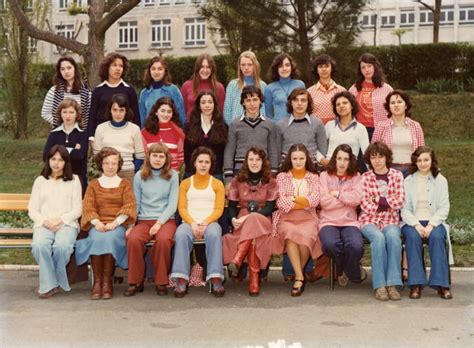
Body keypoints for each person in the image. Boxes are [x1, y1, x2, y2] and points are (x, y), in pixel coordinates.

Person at [76, 147, 137, 300]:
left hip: (117, 225)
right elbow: (88, 207)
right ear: (101, 164)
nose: (110, 166)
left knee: (109, 239)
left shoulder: (125, 184)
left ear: (119, 165)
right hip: (98, 224)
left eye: (114, 163)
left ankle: (107, 282)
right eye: (107, 163)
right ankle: (98, 282)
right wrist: (96, 222)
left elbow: (129, 206)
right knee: (97, 238)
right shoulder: (94, 185)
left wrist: (115, 223)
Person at [124, 143, 179, 297]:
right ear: (149, 157)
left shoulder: (173, 175)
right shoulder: (139, 176)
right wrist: (130, 225)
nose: (158, 159)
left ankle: (161, 282)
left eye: (161, 156)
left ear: (166, 159)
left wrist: (159, 223)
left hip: (166, 220)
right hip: (143, 219)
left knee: (163, 241)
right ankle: (136, 281)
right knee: (133, 239)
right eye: (155, 156)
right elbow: (136, 203)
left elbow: (172, 204)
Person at [171, 147, 226, 298]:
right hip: (189, 222)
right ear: (194, 163)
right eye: (200, 161)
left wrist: (206, 223)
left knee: (215, 234)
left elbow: (219, 209)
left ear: (211, 164)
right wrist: (192, 222)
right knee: (181, 234)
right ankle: (181, 279)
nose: (203, 165)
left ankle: (215, 278)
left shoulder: (217, 184)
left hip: (210, 222)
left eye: (206, 162)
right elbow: (181, 207)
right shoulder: (185, 183)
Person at [222, 147, 278, 296]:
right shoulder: (237, 180)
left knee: (253, 220)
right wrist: (233, 219)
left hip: (263, 219)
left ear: (263, 162)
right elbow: (232, 206)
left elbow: (270, 207)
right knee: (253, 238)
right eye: (251, 159)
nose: (254, 163)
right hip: (242, 220)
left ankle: (238, 259)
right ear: (246, 161)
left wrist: (249, 217)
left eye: (258, 159)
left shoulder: (271, 180)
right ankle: (254, 281)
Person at [29, 145, 82, 298]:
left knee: (62, 247)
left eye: (60, 160)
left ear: (66, 162)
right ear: (48, 160)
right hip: (43, 224)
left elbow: (78, 209)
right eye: (53, 159)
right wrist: (45, 221)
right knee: (40, 245)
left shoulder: (74, 180)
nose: (56, 163)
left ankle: (48, 283)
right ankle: (50, 285)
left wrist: (61, 220)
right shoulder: (40, 181)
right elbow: (32, 209)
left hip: (66, 224)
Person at [401, 146, 452, 300]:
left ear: (432, 161)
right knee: (412, 238)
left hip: (434, 221)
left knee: (437, 238)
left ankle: (441, 284)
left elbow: (444, 208)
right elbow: (405, 209)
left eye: (426, 160)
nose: (423, 163)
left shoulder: (441, 180)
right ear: (415, 162)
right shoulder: (408, 181)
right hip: (413, 221)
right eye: (419, 160)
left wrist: (430, 225)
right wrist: (417, 225)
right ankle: (415, 284)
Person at [272, 144, 323, 296]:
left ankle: (298, 274)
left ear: (307, 159)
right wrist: (303, 201)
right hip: (286, 218)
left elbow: (314, 200)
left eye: (301, 158)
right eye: (295, 158)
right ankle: (300, 277)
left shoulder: (314, 177)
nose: (298, 162)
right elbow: (280, 201)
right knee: (290, 234)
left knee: (307, 236)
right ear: (290, 159)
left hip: (308, 218)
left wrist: (293, 199)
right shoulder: (282, 177)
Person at [359, 142, 405, 301]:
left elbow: (399, 202)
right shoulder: (365, 177)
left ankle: (392, 284)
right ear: (369, 160)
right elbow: (364, 203)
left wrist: (378, 199)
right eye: (373, 157)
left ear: (387, 157)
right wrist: (387, 202)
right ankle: (379, 285)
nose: (377, 160)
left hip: (391, 220)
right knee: (378, 239)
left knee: (393, 238)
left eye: (380, 156)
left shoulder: (397, 176)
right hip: (368, 220)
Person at [319, 144, 365, 286]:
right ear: (334, 159)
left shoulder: (356, 176)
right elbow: (323, 202)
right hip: (328, 222)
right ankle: (353, 272)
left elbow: (357, 199)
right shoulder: (324, 176)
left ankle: (344, 271)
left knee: (356, 245)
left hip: (349, 222)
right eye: (339, 158)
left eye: (346, 159)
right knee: (330, 244)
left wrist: (337, 194)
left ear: (350, 161)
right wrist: (346, 200)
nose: (342, 162)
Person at [224, 85, 278, 182]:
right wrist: (228, 177)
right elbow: (229, 151)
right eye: (248, 100)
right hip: (240, 170)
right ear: (243, 103)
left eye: (255, 100)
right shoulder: (235, 124)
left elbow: (273, 151)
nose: (252, 104)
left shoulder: (269, 124)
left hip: (263, 170)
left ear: (260, 101)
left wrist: (273, 174)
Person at [372, 90, 425, 177]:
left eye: (399, 102)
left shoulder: (416, 126)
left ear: (406, 105)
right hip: (389, 170)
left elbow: (422, 151)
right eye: (392, 103)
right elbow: (374, 152)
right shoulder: (381, 126)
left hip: (412, 170)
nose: (396, 105)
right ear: (389, 107)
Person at [93, 94, 145, 182]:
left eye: (121, 110)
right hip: (107, 173)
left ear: (126, 111)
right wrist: (107, 169)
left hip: (128, 173)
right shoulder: (101, 128)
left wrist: (131, 170)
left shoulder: (134, 129)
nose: (118, 114)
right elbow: (97, 155)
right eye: (115, 110)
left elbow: (140, 156)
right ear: (110, 110)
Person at [88, 52, 140, 139]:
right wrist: (91, 137)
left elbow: (136, 117)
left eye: (121, 66)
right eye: (114, 65)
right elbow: (92, 116)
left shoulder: (129, 89)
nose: (118, 68)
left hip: (124, 135)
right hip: (103, 136)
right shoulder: (98, 90)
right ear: (107, 67)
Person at [43, 98, 88, 194]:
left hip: (77, 180)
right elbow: (46, 156)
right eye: (64, 112)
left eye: (71, 112)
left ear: (77, 114)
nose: (68, 116)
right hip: (55, 180)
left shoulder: (83, 134)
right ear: (60, 114)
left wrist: (58, 150)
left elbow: (80, 156)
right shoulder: (54, 134)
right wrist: (72, 149)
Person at [277, 88, 327, 168]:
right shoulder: (281, 124)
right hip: (287, 168)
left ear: (308, 103)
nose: (299, 103)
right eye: (296, 100)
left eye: (303, 100)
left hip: (311, 168)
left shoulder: (317, 123)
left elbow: (323, 150)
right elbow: (277, 151)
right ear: (291, 103)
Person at [184, 91, 228, 180]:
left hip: (215, 174)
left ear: (215, 105)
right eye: (203, 102)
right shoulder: (189, 126)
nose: (207, 105)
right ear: (199, 105)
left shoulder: (223, 127)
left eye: (210, 102)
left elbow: (223, 153)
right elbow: (186, 152)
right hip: (192, 173)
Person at [349, 53, 393, 140]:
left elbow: (393, 110)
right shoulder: (354, 88)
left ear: (375, 67)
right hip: (359, 130)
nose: (367, 70)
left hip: (381, 130)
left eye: (369, 66)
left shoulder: (387, 89)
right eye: (363, 67)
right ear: (360, 70)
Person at [41, 56, 91, 130]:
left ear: (75, 69)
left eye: (69, 68)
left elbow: (90, 115)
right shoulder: (54, 91)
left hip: (81, 133)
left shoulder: (86, 91)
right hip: (59, 133)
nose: (66, 71)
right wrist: (61, 124)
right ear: (60, 72)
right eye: (63, 69)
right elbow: (45, 113)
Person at [323, 91, 369, 170]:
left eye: (345, 103)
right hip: (330, 170)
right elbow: (318, 146)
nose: (341, 106)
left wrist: (373, 174)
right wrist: (322, 160)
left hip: (350, 171)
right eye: (338, 104)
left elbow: (367, 154)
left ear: (352, 106)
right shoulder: (329, 125)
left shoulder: (360, 128)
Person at [138, 56, 185, 127]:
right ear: (149, 71)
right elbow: (142, 118)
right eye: (153, 69)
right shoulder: (144, 93)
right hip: (151, 133)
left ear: (165, 71)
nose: (156, 72)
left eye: (160, 69)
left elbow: (181, 115)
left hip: (170, 133)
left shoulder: (173, 90)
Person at [142, 97, 185, 172]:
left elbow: (180, 159)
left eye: (169, 112)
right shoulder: (145, 132)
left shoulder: (178, 132)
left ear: (172, 114)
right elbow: (144, 156)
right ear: (156, 112)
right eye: (163, 111)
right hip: (151, 174)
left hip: (171, 175)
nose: (166, 114)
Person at [223, 51, 267, 124]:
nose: (246, 68)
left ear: (255, 65)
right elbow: (227, 112)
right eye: (243, 65)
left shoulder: (262, 86)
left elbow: (264, 111)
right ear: (239, 66)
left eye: (249, 64)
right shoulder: (233, 85)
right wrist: (234, 127)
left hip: (258, 129)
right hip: (237, 128)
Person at [181, 54, 225, 124]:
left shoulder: (219, 87)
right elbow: (183, 111)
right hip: (191, 128)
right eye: (202, 67)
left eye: (208, 67)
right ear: (197, 68)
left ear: (212, 69)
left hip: (212, 128)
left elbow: (221, 112)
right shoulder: (186, 86)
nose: (205, 70)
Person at [264, 53, 305, 122]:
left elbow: (304, 107)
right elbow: (268, 115)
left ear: (292, 67)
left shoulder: (300, 84)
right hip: (278, 128)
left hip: (297, 125)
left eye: (287, 65)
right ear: (276, 69)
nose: (284, 69)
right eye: (280, 66)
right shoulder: (269, 88)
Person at [307, 54, 346, 125]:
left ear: (332, 68)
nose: (324, 69)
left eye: (327, 66)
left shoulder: (341, 90)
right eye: (320, 67)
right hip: (316, 130)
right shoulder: (309, 92)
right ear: (316, 70)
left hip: (337, 129)